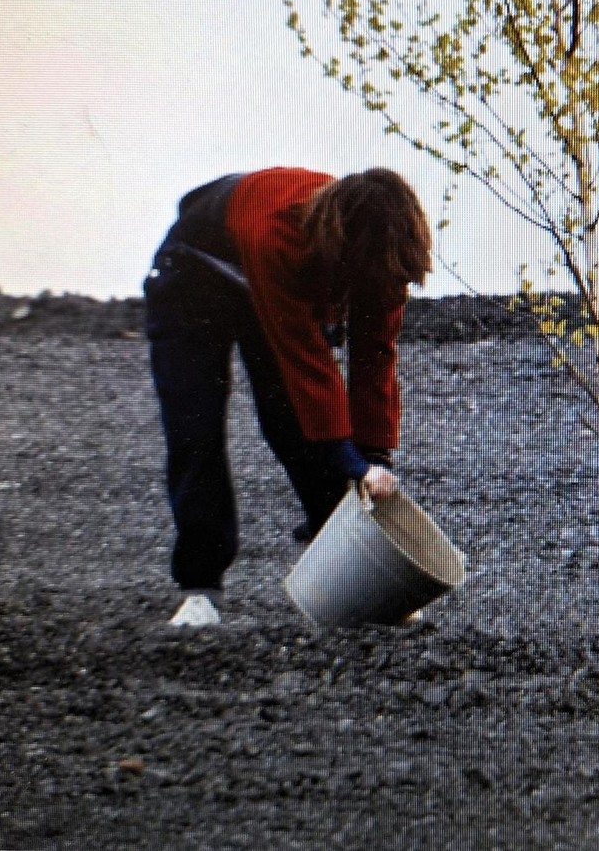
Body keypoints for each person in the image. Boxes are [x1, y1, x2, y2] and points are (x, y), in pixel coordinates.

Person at [142, 167, 432, 626]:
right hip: (193, 280)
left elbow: (375, 356)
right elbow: (307, 363)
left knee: (299, 430)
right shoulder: (277, 233)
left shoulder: (386, 250)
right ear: (344, 247)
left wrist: (376, 457)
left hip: (277, 280)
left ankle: (356, 573)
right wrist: (352, 463)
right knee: (196, 432)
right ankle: (201, 589)